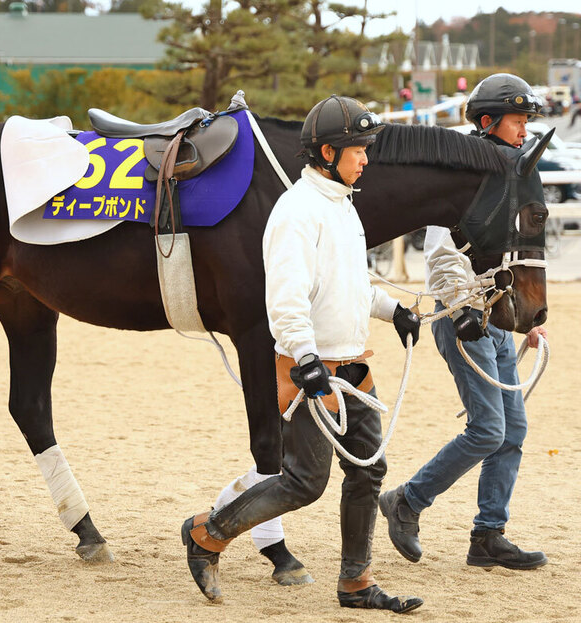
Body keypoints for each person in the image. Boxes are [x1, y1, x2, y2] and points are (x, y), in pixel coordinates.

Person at [180, 95, 423, 613]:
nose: (366, 160)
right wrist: (305, 358)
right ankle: (208, 533)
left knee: (368, 472)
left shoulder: (343, 206)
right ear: (330, 152)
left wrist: (391, 310)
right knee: (304, 482)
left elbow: (348, 286)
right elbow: (286, 300)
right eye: (359, 150)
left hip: (354, 366)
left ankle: (356, 583)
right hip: (312, 370)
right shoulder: (295, 212)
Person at [379, 73, 549, 572]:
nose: (524, 130)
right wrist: (467, 310)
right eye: (518, 120)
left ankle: (488, 536)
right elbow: (439, 253)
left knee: (512, 429)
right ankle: (407, 501)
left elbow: (513, 254)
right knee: (488, 430)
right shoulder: (462, 174)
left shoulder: (509, 173)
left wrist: (523, 319)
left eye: (525, 121)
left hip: (496, 319)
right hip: (463, 320)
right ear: (488, 121)